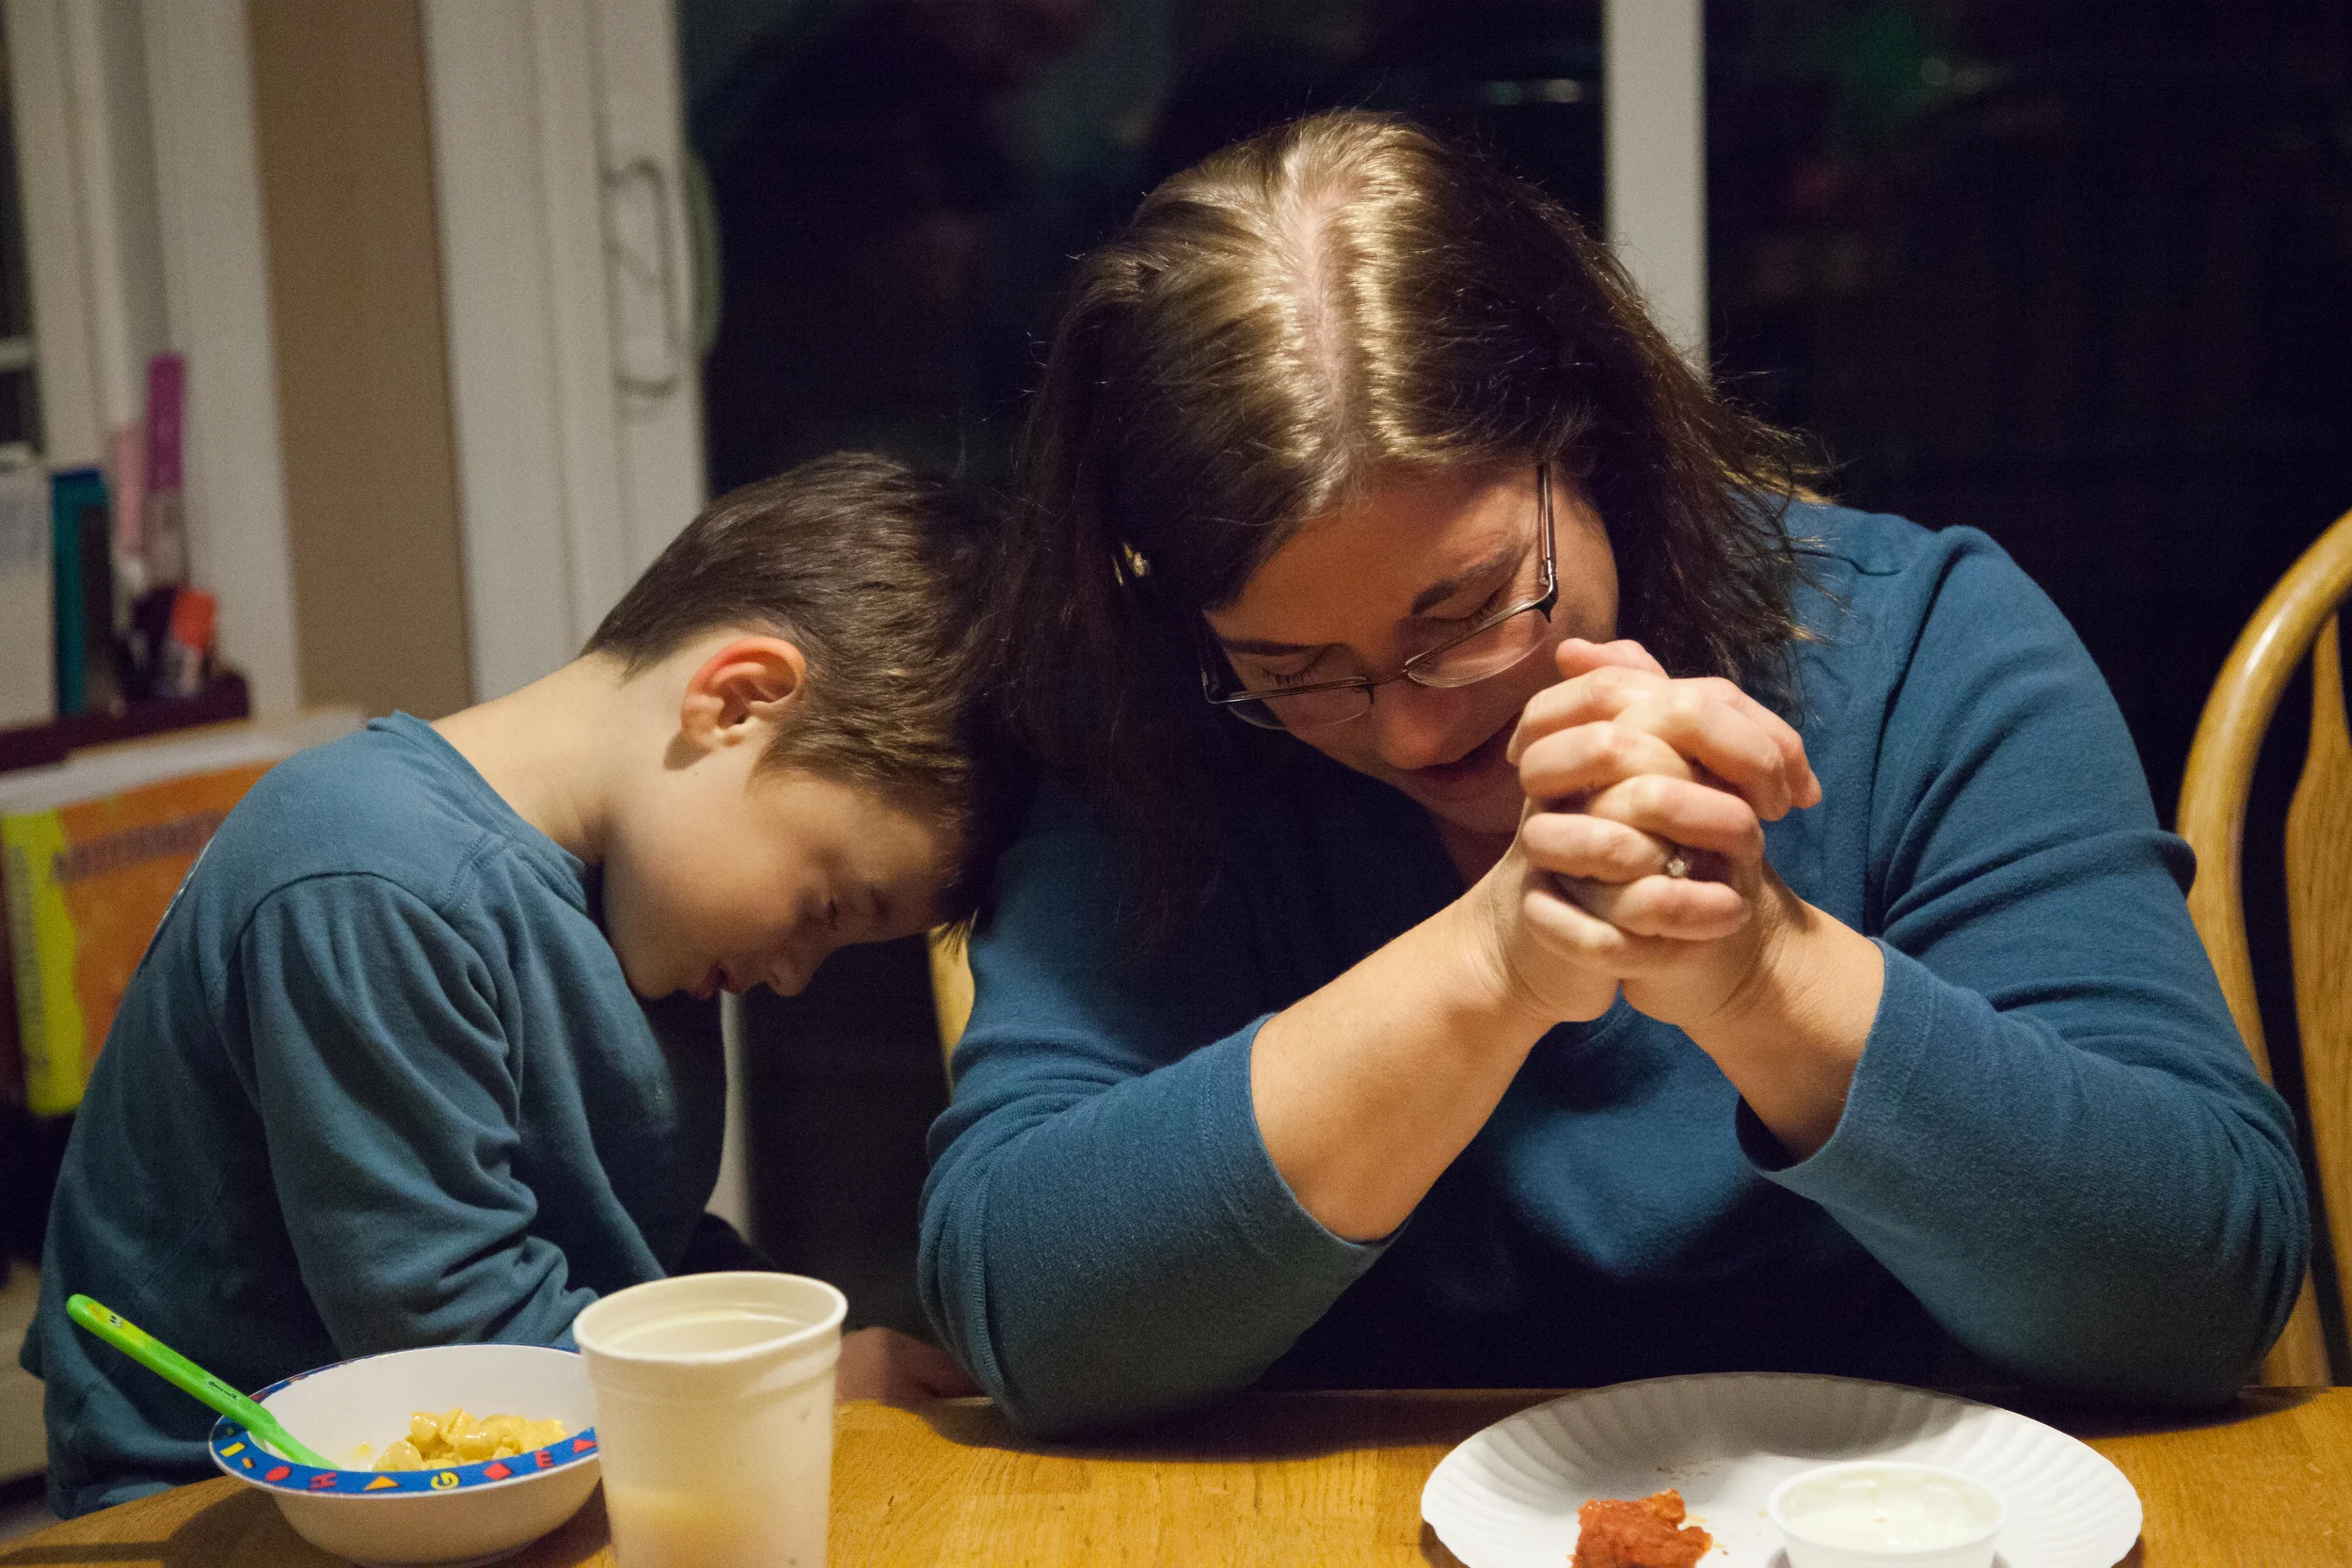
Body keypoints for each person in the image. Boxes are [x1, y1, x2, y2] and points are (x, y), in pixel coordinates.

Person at [917, 111, 2309, 1435]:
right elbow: (1030, 1320)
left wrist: (1758, 973)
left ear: (1588, 438)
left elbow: (2199, 1291)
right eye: (1296, 669)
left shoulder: (1919, 645)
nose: (1408, 731)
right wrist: (1490, 967)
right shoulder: (1156, 720)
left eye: (1460, 614)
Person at [28, 453, 1007, 1515]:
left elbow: (627, 1252)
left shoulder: (636, 912)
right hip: (223, 1501)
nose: (788, 975)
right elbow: (458, 1348)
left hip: (498, 1475)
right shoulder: (367, 877)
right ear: (736, 700)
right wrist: (782, 1384)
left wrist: (763, 1332)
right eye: (824, 907)